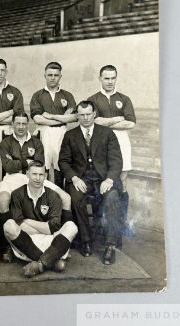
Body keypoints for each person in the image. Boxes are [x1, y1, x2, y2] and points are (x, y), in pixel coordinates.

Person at [0, 112, 73, 262]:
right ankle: (6, 245)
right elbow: (8, 167)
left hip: (34, 176)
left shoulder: (36, 143)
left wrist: (18, 161)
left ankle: (62, 242)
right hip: (12, 178)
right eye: (17, 123)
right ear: (12, 124)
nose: (20, 127)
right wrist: (27, 161)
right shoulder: (5, 142)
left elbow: (38, 165)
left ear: (28, 125)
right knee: (3, 199)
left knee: (66, 198)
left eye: (24, 124)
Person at [59, 100, 123, 265]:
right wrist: (74, 178)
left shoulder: (107, 133)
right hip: (82, 178)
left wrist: (109, 179)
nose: (85, 118)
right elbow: (64, 162)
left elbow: (116, 161)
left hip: (103, 179)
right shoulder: (70, 135)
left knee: (112, 197)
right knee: (75, 196)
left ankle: (110, 246)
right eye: (81, 115)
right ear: (77, 116)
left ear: (94, 114)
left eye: (88, 114)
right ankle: (85, 241)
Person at [3, 162, 78, 277]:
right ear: (27, 174)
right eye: (34, 174)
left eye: (41, 175)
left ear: (45, 176)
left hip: (52, 242)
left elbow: (53, 228)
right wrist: (44, 227)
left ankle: (40, 265)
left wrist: (28, 221)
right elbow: (19, 225)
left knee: (72, 226)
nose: (38, 178)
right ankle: (52, 261)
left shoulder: (53, 195)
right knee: (8, 225)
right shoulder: (17, 194)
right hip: (27, 243)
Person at [88, 65, 136, 237]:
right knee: (101, 182)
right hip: (101, 145)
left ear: (116, 78)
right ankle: (100, 223)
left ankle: (121, 224)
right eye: (106, 78)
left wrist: (104, 121)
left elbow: (130, 123)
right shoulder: (93, 99)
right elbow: (93, 121)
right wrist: (117, 118)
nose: (109, 81)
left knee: (122, 184)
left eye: (112, 78)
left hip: (122, 144)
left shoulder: (124, 98)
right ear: (100, 78)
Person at [30, 62, 77, 187]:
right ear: (44, 75)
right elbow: (37, 118)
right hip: (44, 133)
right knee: (42, 167)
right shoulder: (37, 95)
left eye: (56, 75)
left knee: (60, 167)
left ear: (60, 76)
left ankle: (59, 198)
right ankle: (43, 199)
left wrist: (51, 116)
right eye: (49, 74)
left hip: (62, 133)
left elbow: (74, 117)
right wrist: (62, 119)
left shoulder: (67, 95)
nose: (52, 77)